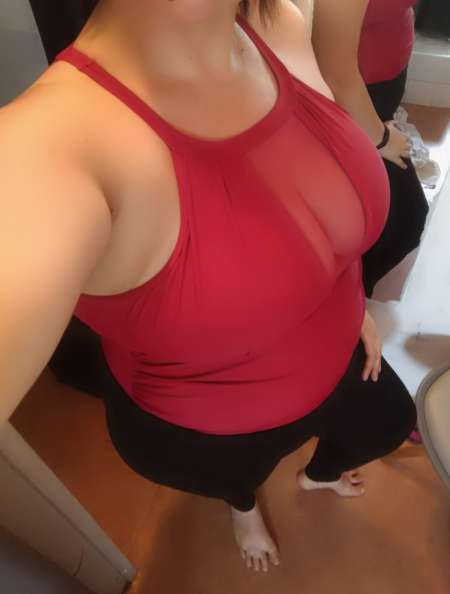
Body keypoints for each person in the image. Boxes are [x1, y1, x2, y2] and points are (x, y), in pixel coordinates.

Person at [0, 0, 416, 573]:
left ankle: (317, 476)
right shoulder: (43, 153)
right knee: (236, 482)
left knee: (388, 422)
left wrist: (346, 301)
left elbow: (314, 216)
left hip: (342, 352)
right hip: (206, 431)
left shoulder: (280, 23)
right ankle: (242, 509)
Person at [313, 0, 429, 297]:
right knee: (404, 221)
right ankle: (350, 302)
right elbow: (335, 74)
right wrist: (382, 139)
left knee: (399, 221)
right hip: (355, 101)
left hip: (378, 94)